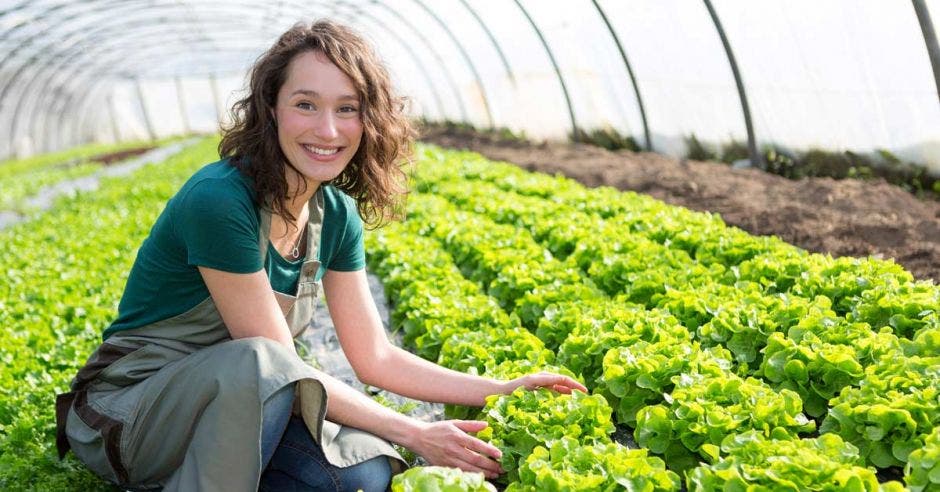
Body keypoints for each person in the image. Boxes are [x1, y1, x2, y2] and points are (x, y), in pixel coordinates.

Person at [55, 19, 585, 492]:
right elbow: (273, 365)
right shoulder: (220, 201)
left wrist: (498, 390)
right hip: (131, 413)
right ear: (271, 110)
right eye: (306, 104)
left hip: (242, 409)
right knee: (261, 361)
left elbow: (374, 357)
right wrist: (417, 432)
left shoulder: (334, 213)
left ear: (368, 120)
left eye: (347, 109)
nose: (328, 131)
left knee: (360, 475)